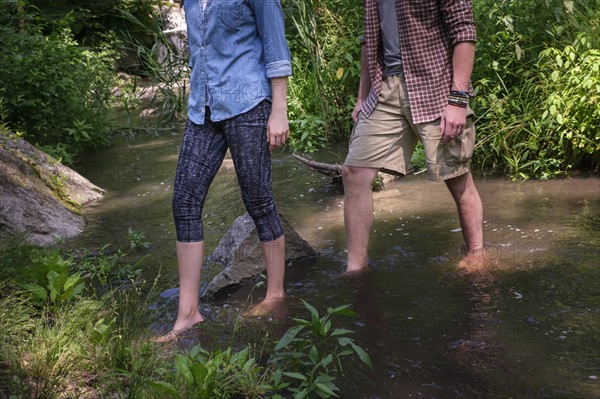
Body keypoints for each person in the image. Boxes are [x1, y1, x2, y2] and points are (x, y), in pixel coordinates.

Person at [162, 0, 292, 339]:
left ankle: (276, 295)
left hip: (248, 101)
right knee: (184, 203)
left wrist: (279, 110)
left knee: (258, 201)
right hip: (202, 109)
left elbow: (275, 44)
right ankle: (188, 314)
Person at [343, 0, 485, 273]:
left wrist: (457, 100)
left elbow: (464, 31)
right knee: (353, 172)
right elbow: (369, 39)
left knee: (456, 175)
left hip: (435, 86)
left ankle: (477, 257)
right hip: (384, 87)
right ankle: (356, 270)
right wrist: (362, 96)